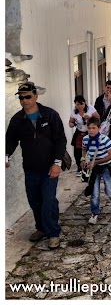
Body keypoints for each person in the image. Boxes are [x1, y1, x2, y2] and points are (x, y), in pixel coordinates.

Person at [6, 82, 67, 249]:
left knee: (48, 200)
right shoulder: (17, 120)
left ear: (36, 96)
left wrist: (57, 162)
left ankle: (53, 233)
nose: (24, 100)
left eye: (28, 97)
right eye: (21, 98)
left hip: (50, 167)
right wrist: (6, 155)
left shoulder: (49, 115)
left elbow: (60, 139)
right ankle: (41, 228)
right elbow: (10, 140)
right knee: (34, 201)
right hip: (31, 168)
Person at [81, 116, 111, 225]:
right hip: (94, 168)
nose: (91, 130)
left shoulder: (105, 139)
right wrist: (83, 159)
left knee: (109, 190)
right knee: (94, 192)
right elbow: (84, 149)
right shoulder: (85, 139)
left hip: (105, 166)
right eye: (89, 128)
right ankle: (94, 213)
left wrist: (97, 162)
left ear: (99, 128)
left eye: (94, 128)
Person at [69, 95, 99, 175]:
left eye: (81, 104)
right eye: (77, 104)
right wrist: (71, 124)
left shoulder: (90, 109)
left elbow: (98, 118)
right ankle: (80, 168)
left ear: (85, 103)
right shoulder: (74, 112)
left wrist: (90, 117)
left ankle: (93, 166)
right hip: (79, 132)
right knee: (77, 150)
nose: (80, 106)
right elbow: (70, 122)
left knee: (91, 148)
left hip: (89, 131)